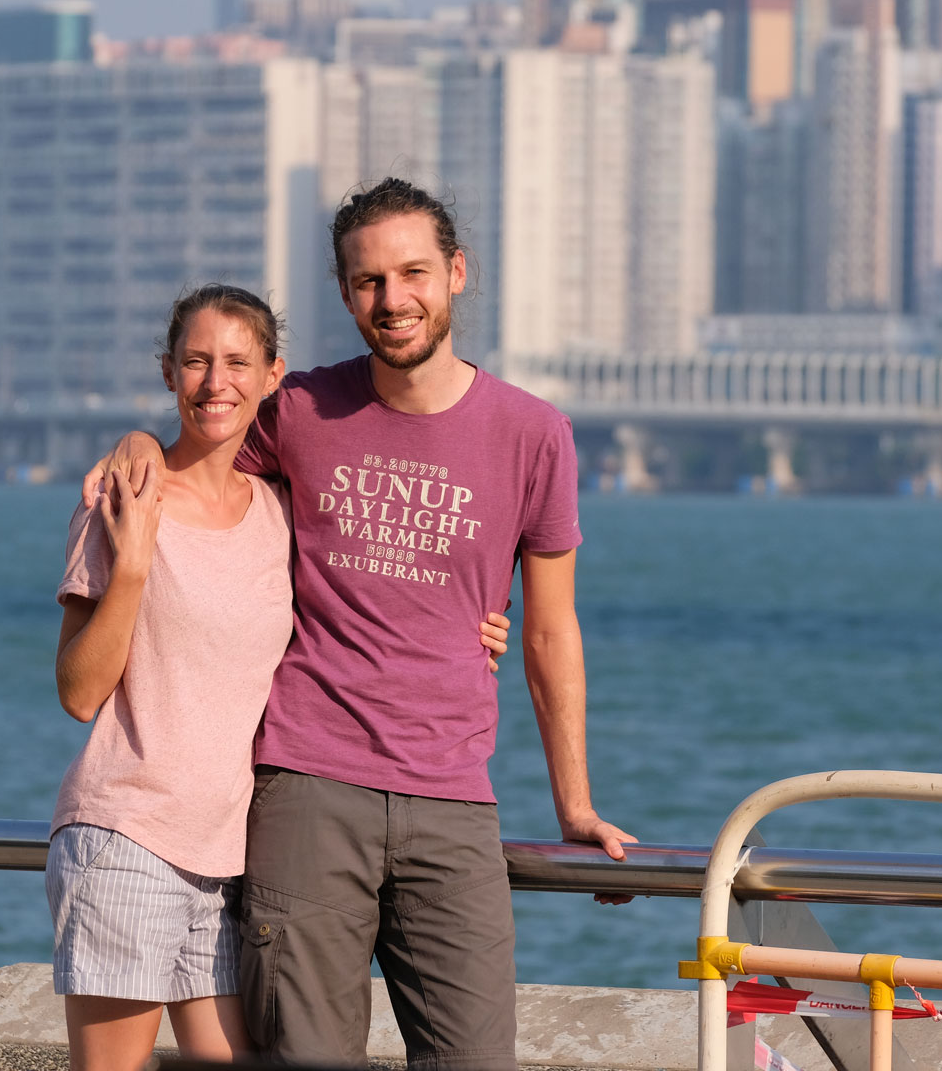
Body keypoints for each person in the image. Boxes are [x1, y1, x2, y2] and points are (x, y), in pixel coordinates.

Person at [85, 179, 638, 1070]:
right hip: (306, 791)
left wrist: (573, 805)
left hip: (454, 801)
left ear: (457, 274)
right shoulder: (300, 410)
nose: (392, 299)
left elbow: (547, 634)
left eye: (413, 272)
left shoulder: (535, 435)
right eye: (368, 281)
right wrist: (137, 446)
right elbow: (201, 446)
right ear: (345, 295)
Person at [50, 283, 514, 1071]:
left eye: (237, 362)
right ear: (168, 373)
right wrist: (130, 568)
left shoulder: (276, 512)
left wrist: (472, 631)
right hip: (129, 836)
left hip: (230, 859)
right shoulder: (123, 500)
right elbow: (78, 691)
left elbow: (365, 591)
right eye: (195, 361)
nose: (214, 381)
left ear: (274, 377)